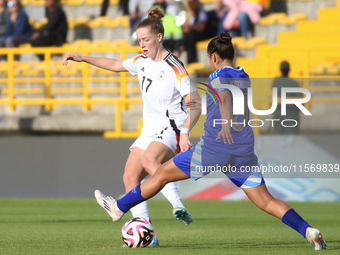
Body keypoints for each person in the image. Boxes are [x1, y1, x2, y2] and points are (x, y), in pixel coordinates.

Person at [94, 32, 327, 251]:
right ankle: (308, 230)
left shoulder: (217, 75)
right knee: (266, 201)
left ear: (214, 57)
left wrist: (224, 123)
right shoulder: (243, 76)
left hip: (216, 148)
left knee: (162, 173)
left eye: (209, 58)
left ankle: (118, 208)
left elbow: (224, 96)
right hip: (243, 151)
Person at [63, 7, 201, 247]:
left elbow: (196, 104)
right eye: (139, 41)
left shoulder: (175, 67)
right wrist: (84, 58)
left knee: (150, 161)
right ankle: (148, 234)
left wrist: (187, 131)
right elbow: (116, 64)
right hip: (149, 128)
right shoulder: (141, 61)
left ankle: (178, 205)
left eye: (146, 40)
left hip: (172, 126)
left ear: (159, 37)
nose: (142, 45)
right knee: (130, 176)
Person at [272, 60, 302, 134]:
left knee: (279, 141)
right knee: (291, 141)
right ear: (289, 69)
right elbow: (300, 101)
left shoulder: (275, 82)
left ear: (280, 69)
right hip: (291, 116)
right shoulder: (294, 83)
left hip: (278, 115)